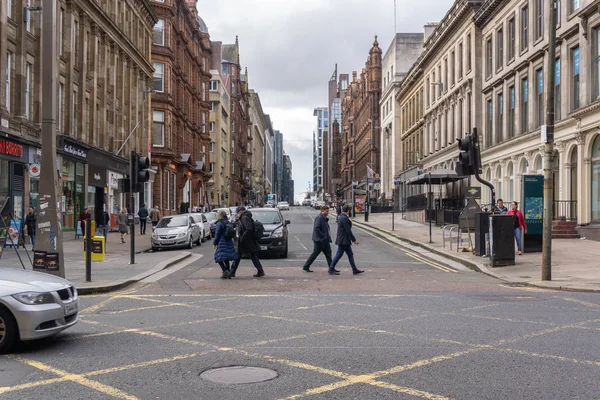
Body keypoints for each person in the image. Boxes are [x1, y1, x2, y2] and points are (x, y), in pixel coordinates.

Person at [230, 206, 265, 278]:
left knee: (238, 255)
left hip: (246, 241)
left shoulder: (244, 218)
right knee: (251, 255)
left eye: (237, 212)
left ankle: (232, 272)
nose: (237, 214)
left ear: (240, 211)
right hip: (248, 241)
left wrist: (243, 238)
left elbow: (248, 229)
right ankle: (260, 271)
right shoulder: (245, 217)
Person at [329, 204, 364, 275]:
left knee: (350, 254)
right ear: (348, 210)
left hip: (344, 240)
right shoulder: (344, 218)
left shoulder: (341, 217)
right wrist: (354, 240)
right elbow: (348, 230)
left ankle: (354, 269)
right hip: (343, 240)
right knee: (339, 255)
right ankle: (331, 268)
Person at [302, 205, 333, 272]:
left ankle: (331, 268)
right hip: (320, 240)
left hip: (325, 240)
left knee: (328, 254)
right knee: (315, 254)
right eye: (326, 211)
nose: (328, 212)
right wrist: (323, 236)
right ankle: (306, 266)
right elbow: (317, 229)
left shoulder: (323, 218)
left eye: (328, 211)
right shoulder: (319, 218)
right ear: (322, 211)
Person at [213, 210, 238, 279]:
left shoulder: (219, 224)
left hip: (222, 242)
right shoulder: (228, 222)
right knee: (225, 258)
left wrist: (215, 243)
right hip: (229, 241)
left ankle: (225, 271)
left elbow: (217, 234)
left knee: (218, 258)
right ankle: (228, 272)